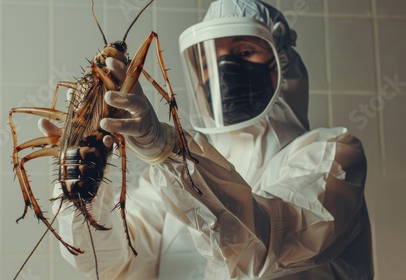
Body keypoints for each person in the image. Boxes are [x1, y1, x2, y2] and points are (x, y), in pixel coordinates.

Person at [40, 0, 374, 279]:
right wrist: (83, 183)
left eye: (245, 51)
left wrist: (168, 149)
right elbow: (109, 262)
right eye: (212, 58)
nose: (226, 66)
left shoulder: (332, 153)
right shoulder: (168, 181)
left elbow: (266, 247)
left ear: (282, 61)